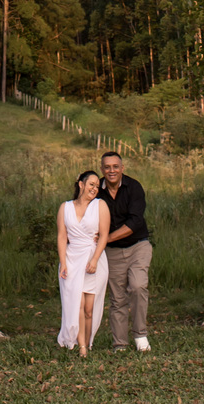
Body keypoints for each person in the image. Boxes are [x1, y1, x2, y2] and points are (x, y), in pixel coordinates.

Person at [98, 150, 153, 352]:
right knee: (117, 298)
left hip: (138, 245)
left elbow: (135, 222)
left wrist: (106, 238)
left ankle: (140, 335)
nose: (111, 171)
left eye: (115, 166)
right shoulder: (96, 191)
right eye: (107, 167)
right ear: (102, 169)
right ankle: (120, 343)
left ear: (122, 168)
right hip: (111, 252)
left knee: (138, 286)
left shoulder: (134, 187)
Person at [56, 169, 110, 356]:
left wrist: (94, 259)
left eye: (97, 186)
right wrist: (63, 263)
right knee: (76, 304)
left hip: (93, 258)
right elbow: (62, 237)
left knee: (89, 309)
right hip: (72, 259)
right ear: (81, 184)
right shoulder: (65, 208)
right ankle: (82, 347)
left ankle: (88, 342)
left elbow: (104, 236)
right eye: (91, 184)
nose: (94, 188)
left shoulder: (100, 205)